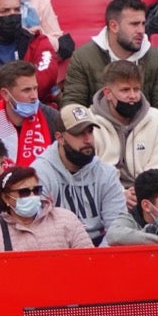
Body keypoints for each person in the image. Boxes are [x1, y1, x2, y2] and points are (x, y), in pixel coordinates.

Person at [32, 105, 125, 246]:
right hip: (58, 248)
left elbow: (117, 230)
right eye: (79, 133)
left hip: (100, 249)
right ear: (60, 138)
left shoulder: (106, 173)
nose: (88, 140)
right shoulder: (40, 174)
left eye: (90, 131)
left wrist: (97, 257)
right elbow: (39, 230)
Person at [63, 0, 158, 112]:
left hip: (147, 123)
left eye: (143, 24)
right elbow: (73, 105)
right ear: (114, 26)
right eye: (134, 24)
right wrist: (87, 123)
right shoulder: (83, 57)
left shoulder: (155, 57)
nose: (141, 31)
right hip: (95, 123)